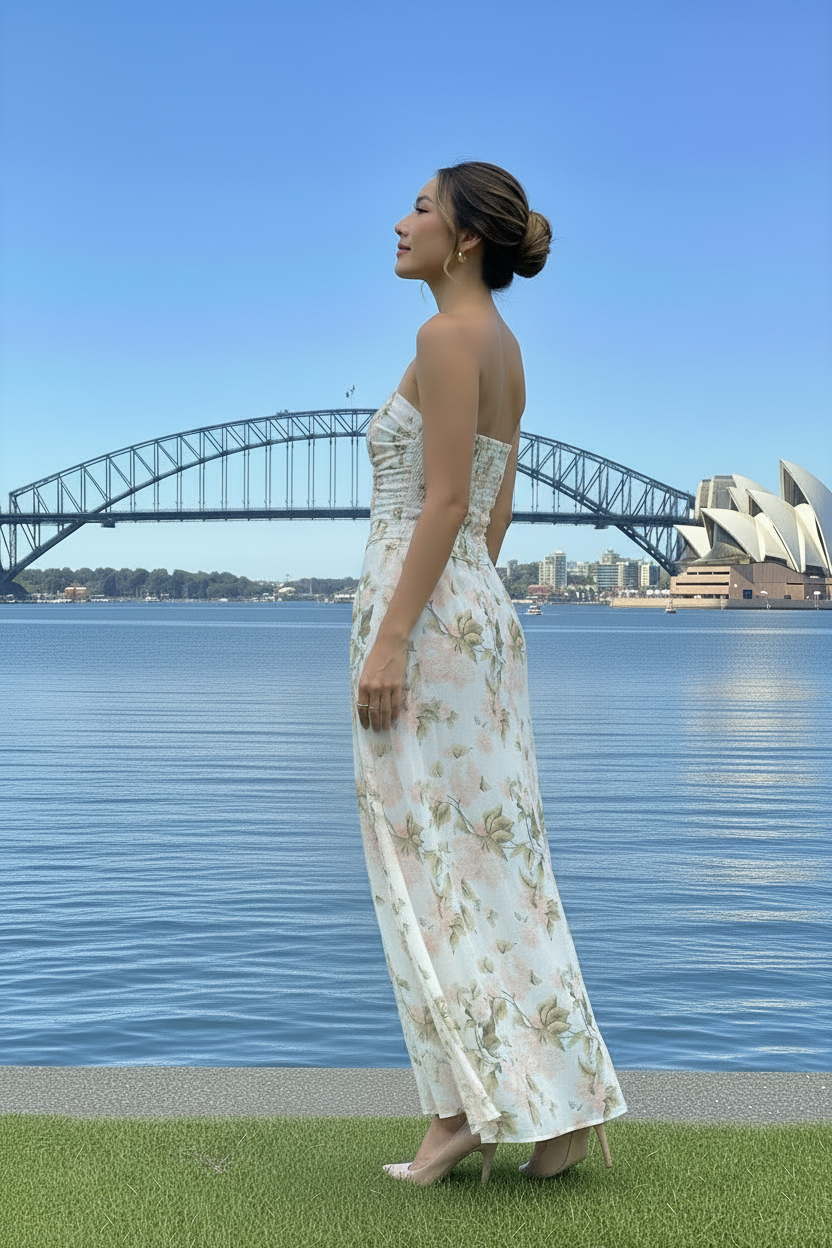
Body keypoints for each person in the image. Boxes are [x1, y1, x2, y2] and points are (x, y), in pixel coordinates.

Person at [350, 161, 626, 1187]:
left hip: (419, 621)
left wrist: (392, 638)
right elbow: (491, 517)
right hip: (473, 618)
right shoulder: (503, 348)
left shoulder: (443, 337)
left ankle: (456, 1109)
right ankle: (559, 1109)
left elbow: (443, 499)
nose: (400, 221)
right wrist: (462, 618)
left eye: (421, 207)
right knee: (501, 867)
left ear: (465, 238)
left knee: (424, 872)